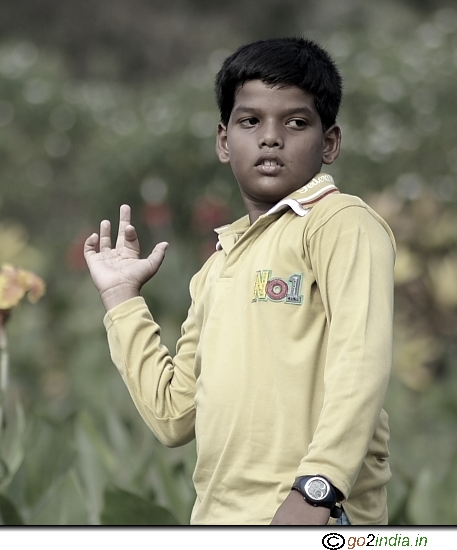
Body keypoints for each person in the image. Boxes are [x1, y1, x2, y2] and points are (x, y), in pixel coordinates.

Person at [83, 37, 396, 526]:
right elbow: (172, 415)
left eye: (296, 122)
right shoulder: (218, 267)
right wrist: (121, 299)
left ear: (329, 142)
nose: (271, 138)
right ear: (225, 142)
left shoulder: (338, 222)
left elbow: (361, 359)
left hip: (315, 517)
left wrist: (319, 488)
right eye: (251, 121)